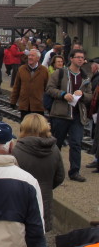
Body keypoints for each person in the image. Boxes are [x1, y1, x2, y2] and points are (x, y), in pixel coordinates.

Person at [12, 113, 65, 247]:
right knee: (41, 239)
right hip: (45, 199)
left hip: (24, 202)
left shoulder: (17, 150)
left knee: (28, 243)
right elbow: (59, 176)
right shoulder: (54, 149)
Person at [46, 48, 92, 183]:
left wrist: (83, 95)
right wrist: (62, 94)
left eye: (82, 58)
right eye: (77, 57)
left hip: (77, 115)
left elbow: (90, 95)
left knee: (76, 144)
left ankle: (75, 171)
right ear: (71, 59)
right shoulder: (60, 73)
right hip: (60, 114)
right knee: (56, 144)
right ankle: (53, 171)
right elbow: (49, 88)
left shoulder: (85, 78)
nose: (80, 59)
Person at [10, 48, 50, 120]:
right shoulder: (21, 69)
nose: (30, 57)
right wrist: (13, 101)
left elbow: (48, 88)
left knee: (37, 129)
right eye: (29, 55)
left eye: (32, 56)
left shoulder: (44, 71)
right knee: (25, 129)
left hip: (38, 106)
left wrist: (47, 104)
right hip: (24, 106)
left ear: (38, 58)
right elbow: (16, 87)